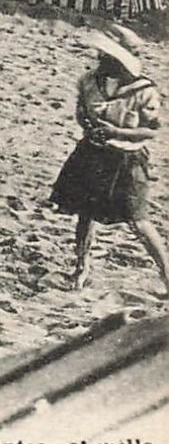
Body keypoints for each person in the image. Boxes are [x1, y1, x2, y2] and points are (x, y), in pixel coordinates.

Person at [49, 24, 169, 295]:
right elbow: (81, 112)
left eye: (107, 57)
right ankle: (81, 267)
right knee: (86, 213)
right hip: (92, 154)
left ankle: (166, 274)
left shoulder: (144, 91)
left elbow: (151, 129)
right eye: (101, 55)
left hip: (127, 159)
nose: (100, 61)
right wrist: (89, 126)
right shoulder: (89, 81)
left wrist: (117, 131)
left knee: (138, 219)